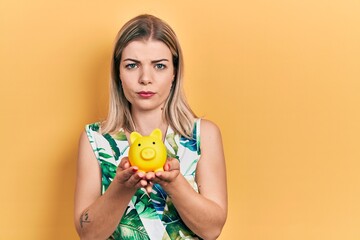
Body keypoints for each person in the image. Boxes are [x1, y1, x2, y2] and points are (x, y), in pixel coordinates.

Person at [74, 14, 227, 240]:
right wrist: (121, 187)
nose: (145, 78)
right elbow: (87, 233)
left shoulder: (203, 135)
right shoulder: (95, 139)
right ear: (118, 72)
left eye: (159, 66)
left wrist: (174, 183)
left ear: (174, 72)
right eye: (132, 65)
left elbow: (212, 229)